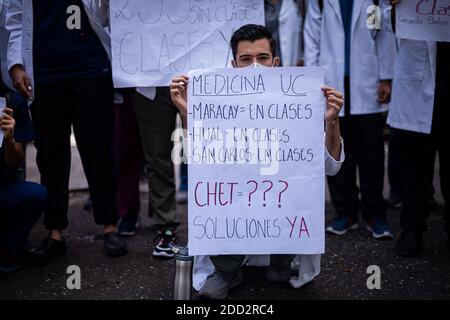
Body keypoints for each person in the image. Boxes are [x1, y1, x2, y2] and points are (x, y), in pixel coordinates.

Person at [169, 24, 345, 300]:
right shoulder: (217, 105)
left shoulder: (299, 103)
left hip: (280, 207)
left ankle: (282, 261)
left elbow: (331, 167)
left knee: (294, 191)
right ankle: (226, 271)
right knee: (220, 192)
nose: (255, 67)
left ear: (276, 63)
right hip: (236, 205)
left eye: (262, 58)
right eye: (246, 59)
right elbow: (198, 159)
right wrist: (187, 111)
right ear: (233, 65)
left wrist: (332, 122)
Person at [5, 0, 127, 264]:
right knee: (51, 155)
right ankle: (55, 233)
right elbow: (14, 18)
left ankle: (109, 227)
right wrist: (16, 64)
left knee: (98, 150)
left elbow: (109, 12)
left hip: (91, 67)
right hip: (44, 71)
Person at [304, 0, 397, 239]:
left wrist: (386, 76)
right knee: (335, 151)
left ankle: (375, 214)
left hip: (366, 82)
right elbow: (312, 36)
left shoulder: (374, 1)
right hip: (330, 84)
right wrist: (311, 80)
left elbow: (381, 34)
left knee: (371, 155)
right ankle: (344, 213)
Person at [384, 0, 449, 256]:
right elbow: (381, 24)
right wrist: (394, 7)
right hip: (416, 86)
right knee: (414, 169)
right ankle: (412, 230)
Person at [0, 97, 46, 272]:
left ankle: (6, 250)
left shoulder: (13, 100)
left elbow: (14, 162)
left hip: (3, 189)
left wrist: (9, 139)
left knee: (36, 195)